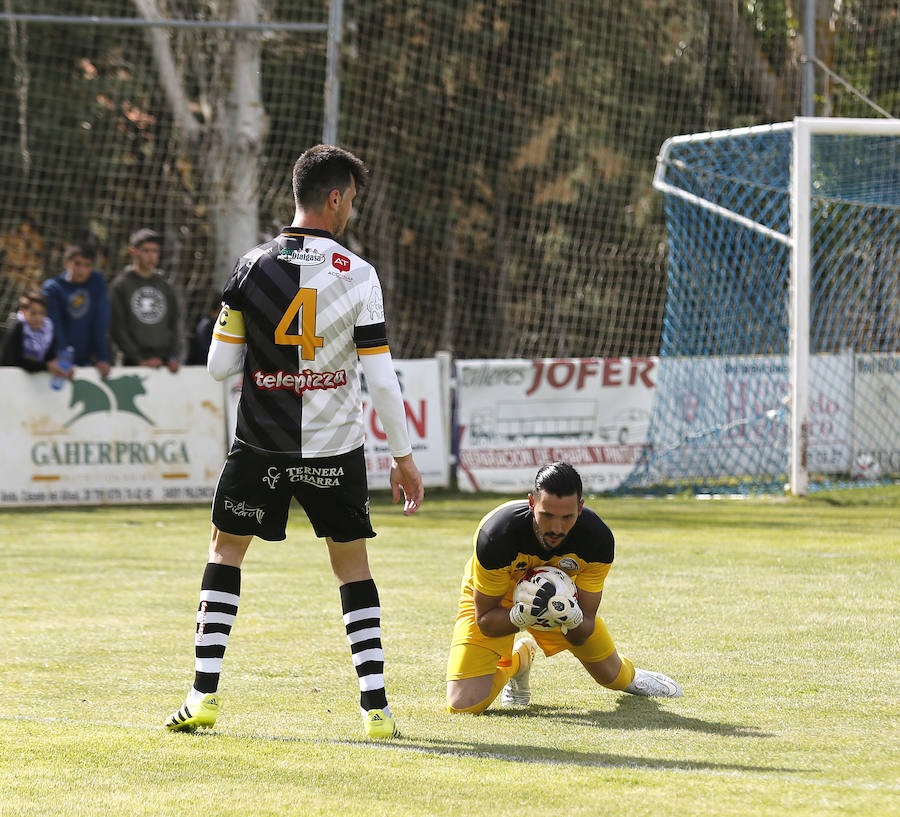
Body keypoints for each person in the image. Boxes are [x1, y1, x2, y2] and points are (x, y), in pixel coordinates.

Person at [164, 144, 424, 740]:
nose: (351, 210)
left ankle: (202, 696)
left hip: (260, 444)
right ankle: (376, 708)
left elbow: (217, 367)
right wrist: (403, 458)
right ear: (334, 199)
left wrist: (261, 349)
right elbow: (381, 379)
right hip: (334, 449)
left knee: (225, 551)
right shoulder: (359, 274)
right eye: (351, 200)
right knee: (351, 564)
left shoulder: (251, 267)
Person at [446, 461, 682, 715]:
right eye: (546, 515)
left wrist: (572, 615)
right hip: (499, 601)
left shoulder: (597, 540)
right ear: (531, 503)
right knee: (463, 706)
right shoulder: (496, 535)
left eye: (567, 517)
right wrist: (520, 615)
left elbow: (583, 630)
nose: (556, 528)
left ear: (580, 508)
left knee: (611, 678)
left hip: (563, 603)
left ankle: (631, 676)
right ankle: (519, 659)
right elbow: (485, 620)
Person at [110, 229, 181, 372]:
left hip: (164, 364)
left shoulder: (164, 284)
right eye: (146, 251)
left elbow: (175, 322)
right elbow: (117, 327)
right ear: (133, 252)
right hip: (132, 364)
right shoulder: (121, 285)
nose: (151, 256)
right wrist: (139, 359)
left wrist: (172, 357)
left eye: (155, 251)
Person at [41, 243, 111, 378]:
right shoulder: (53, 288)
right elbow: (54, 324)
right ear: (66, 263)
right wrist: (62, 355)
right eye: (77, 264)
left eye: (87, 265)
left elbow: (101, 321)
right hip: (59, 362)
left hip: (89, 360)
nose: (81, 270)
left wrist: (102, 357)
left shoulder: (97, 282)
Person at [0, 289, 71, 381]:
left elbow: (50, 358)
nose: (38, 318)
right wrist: (46, 366)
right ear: (23, 311)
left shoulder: (48, 330)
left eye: (42, 313)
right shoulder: (17, 327)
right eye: (33, 313)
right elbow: (14, 360)